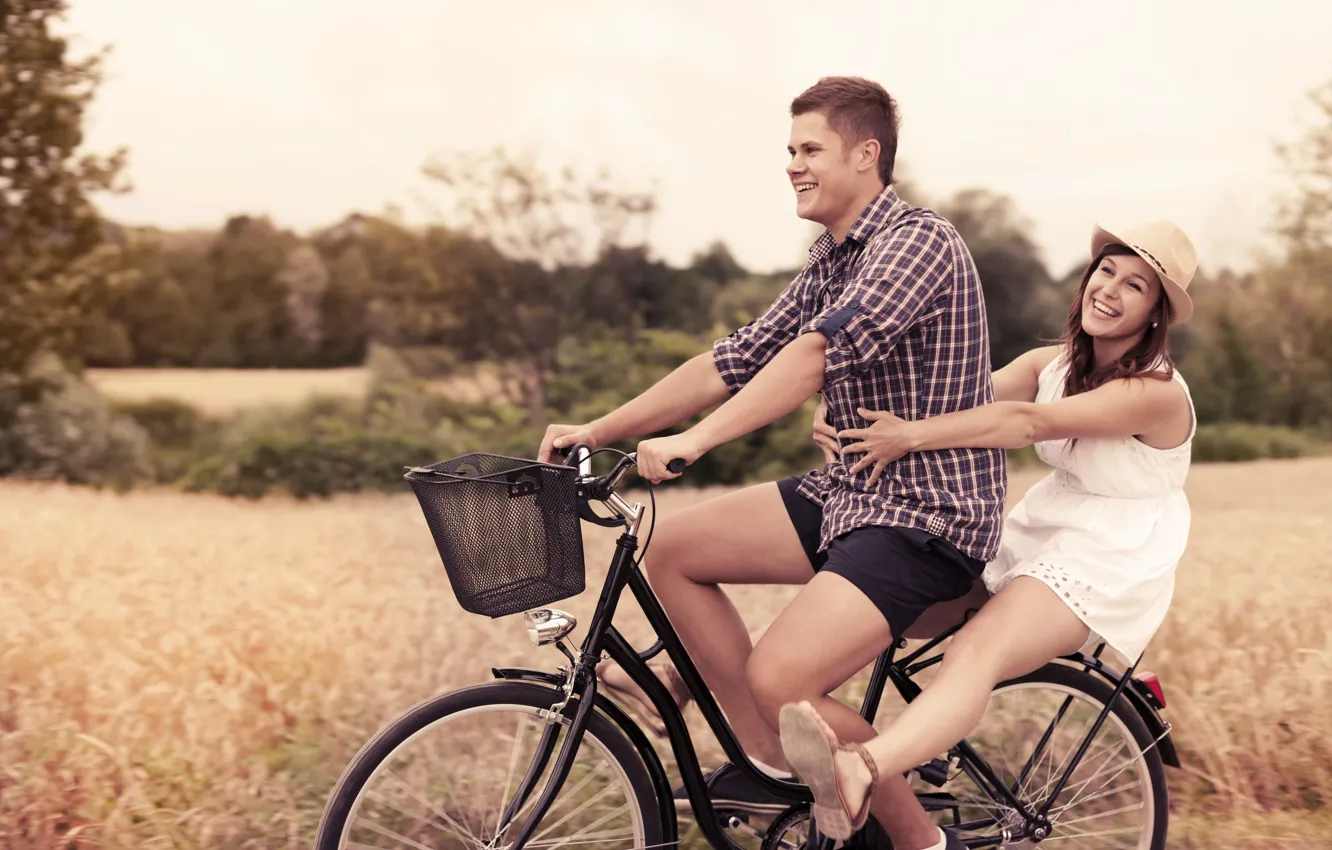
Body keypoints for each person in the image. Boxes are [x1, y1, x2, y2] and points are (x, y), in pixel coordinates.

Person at [539, 75, 1005, 850]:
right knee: (676, 549)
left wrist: (696, 442)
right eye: (789, 149)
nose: (793, 163)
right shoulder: (832, 258)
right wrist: (597, 427)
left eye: (811, 148)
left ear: (866, 154)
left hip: (928, 517)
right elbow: (736, 358)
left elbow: (816, 356)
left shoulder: (918, 242)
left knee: (783, 680)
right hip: (852, 495)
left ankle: (922, 842)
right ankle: (767, 755)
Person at [776, 220, 1200, 842]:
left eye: (1135, 285)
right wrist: (843, 406)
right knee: (880, 605)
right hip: (1043, 524)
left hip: (1107, 554)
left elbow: (1025, 423)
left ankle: (863, 767)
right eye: (1107, 271)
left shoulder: (1155, 393)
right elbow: (943, 397)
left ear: (1155, 314)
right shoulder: (1048, 363)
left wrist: (908, 438)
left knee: (978, 651)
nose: (1110, 289)